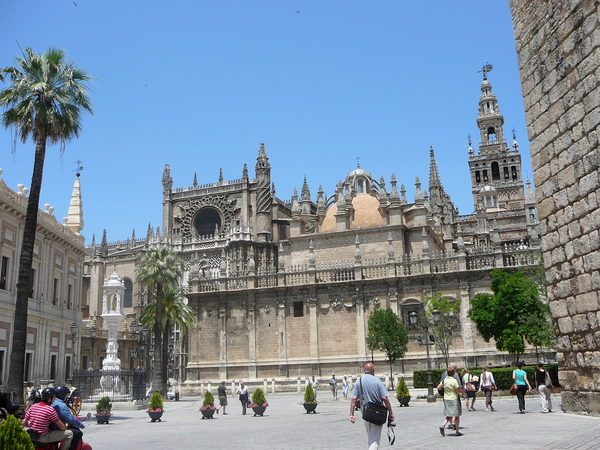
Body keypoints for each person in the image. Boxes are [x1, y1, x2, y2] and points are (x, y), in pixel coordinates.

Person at [349, 362, 394, 450]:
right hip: (377, 413)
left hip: (366, 413)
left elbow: (354, 399)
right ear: (373, 371)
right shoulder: (377, 381)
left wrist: (352, 414)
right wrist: (391, 413)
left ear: (364, 371)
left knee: (370, 437)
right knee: (375, 440)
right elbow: (385, 398)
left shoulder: (359, 381)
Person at [52, 385, 85, 450]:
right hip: (55, 429)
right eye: (66, 395)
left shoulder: (51, 402)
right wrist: (80, 424)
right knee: (78, 433)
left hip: (49, 428)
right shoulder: (62, 405)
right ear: (63, 395)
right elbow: (70, 419)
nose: (66, 397)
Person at [437, 365, 464, 437]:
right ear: (453, 374)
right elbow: (457, 391)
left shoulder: (444, 380)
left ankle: (443, 425)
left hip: (446, 398)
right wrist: (462, 392)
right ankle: (457, 431)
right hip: (453, 398)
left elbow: (438, 387)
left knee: (449, 414)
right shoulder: (454, 381)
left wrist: (445, 390)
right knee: (456, 415)